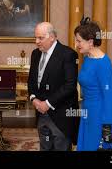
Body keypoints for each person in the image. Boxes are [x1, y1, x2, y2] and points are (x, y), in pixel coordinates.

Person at [28, 22, 79, 151]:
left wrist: (48, 103)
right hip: (41, 115)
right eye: (36, 38)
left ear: (52, 37)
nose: (37, 41)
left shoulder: (68, 54)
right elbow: (31, 82)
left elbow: (70, 86)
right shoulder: (35, 54)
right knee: (45, 146)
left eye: (40, 38)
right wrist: (34, 99)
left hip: (61, 117)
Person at [74, 17, 112, 151]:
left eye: (79, 41)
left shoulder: (103, 63)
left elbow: (108, 95)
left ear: (90, 42)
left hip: (100, 115)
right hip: (87, 110)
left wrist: (106, 125)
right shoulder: (87, 59)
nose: (77, 44)